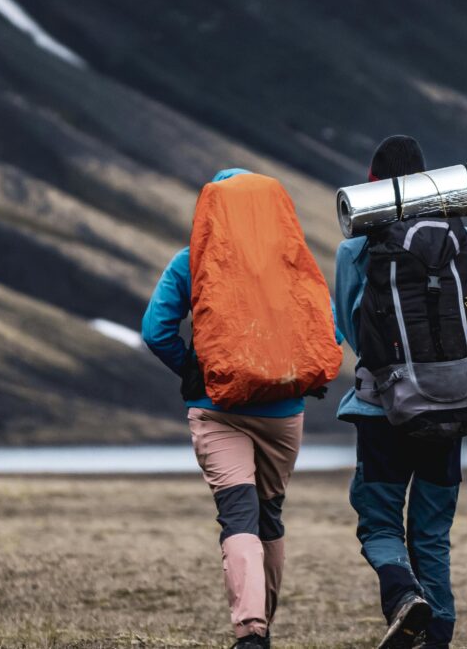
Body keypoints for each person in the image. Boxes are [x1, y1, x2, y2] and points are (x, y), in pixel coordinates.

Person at [142, 168, 333, 649]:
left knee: (238, 517)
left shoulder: (192, 260)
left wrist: (191, 368)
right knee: (269, 518)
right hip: (283, 413)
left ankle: (252, 633)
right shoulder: (291, 259)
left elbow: (154, 330)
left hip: (216, 407)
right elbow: (327, 329)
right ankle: (261, 625)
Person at [334, 136, 467, 649]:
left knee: (379, 523)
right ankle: (436, 638)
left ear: (372, 184)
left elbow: (349, 327)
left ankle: (402, 598)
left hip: (382, 409)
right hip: (451, 404)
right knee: (432, 534)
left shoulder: (356, 247)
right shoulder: (462, 237)